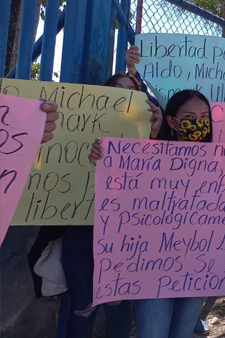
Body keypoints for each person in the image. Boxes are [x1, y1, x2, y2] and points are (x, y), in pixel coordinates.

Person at [89, 90, 211, 338]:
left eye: (204, 116)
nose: (198, 123)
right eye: (189, 116)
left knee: (182, 334)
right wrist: (102, 159)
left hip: (197, 265)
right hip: (153, 266)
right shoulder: (147, 157)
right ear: (172, 121)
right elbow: (121, 194)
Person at [60, 71, 161, 338]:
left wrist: (153, 135)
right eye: (118, 88)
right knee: (83, 308)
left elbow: (158, 182)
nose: (125, 94)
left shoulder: (149, 135)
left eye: (132, 91)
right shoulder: (83, 128)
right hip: (81, 230)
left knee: (117, 305)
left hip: (123, 234)